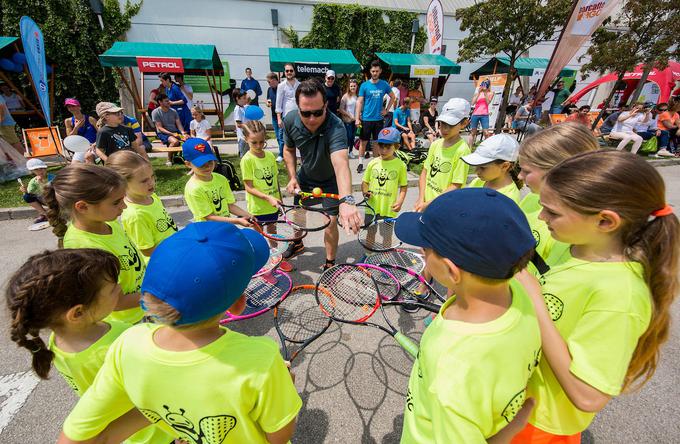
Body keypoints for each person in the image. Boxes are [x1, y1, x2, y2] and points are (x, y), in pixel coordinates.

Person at [56, 222, 302, 444]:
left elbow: (84, 438)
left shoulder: (128, 344)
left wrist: (171, 410)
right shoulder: (262, 359)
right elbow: (278, 438)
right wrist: (285, 388)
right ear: (239, 304)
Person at [511, 150, 679, 443]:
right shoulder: (577, 251)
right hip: (518, 408)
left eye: (552, 212)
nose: (541, 217)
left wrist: (535, 301)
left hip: (541, 426)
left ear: (605, 222)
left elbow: (588, 396)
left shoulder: (620, 295)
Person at [394, 188, 540, 442]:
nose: (421, 252)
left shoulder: (452, 370)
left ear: (451, 271)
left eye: (425, 248)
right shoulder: (521, 292)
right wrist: (516, 422)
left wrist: (511, 430)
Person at [6, 249, 173, 444]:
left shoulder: (59, 339)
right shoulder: (115, 347)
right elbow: (155, 394)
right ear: (77, 313)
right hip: (155, 435)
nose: (119, 288)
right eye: (112, 289)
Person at [44, 164, 146, 324]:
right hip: (125, 323)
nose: (124, 206)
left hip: (140, 306)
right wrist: (161, 295)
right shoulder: (85, 248)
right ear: (83, 206)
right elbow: (115, 302)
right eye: (116, 202)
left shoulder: (108, 223)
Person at [282, 79, 362, 269]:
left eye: (318, 112)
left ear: (326, 105)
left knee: (330, 222)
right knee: (298, 215)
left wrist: (347, 201)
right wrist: (292, 176)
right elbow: (288, 149)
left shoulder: (336, 126)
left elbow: (341, 163)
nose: (312, 118)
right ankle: (298, 242)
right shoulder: (290, 120)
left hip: (330, 181)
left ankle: (329, 263)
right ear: (298, 108)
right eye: (306, 113)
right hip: (305, 178)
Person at [517, 123, 599, 261]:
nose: (519, 176)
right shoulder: (532, 198)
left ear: (556, 171)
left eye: (526, 171)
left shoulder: (574, 225)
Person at [106, 151, 178, 262]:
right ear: (123, 183)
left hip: (174, 251)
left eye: (152, 176)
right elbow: (147, 250)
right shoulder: (135, 215)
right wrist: (176, 250)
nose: (151, 183)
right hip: (162, 261)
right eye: (144, 181)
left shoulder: (151, 196)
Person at [415, 98, 471, 212]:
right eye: (442, 123)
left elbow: (456, 185)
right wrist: (421, 199)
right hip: (426, 203)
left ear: (464, 123)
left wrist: (428, 204)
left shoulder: (462, 150)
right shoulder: (435, 144)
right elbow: (424, 172)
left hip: (444, 207)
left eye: (450, 125)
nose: (444, 129)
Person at [183, 137, 253, 226]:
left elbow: (229, 205)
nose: (207, 167)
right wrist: (237, 221)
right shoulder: (193, 189)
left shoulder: (221, 179)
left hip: (225, 225)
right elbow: (209, 217)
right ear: (188, 164)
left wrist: (248, 215)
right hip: (208, 231)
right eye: (201, 164)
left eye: (210, 162)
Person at [355, 60, 396, 173]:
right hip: (366, 119)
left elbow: (393, 97)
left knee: (377, 143)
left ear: (380, 71)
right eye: (373, 71)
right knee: (363, 142)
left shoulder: (384, 84)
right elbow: (359, 102)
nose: (374, 73)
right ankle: (360, 163)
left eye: (377, 71)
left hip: (378, 119)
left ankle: (376, 163)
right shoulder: (364, 85)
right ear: (370, 71)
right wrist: (357, 118)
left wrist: (386, 110)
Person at [362, 127, 407, 224]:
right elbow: (365, 182)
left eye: (388, 147)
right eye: (381, 146)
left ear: (397, 147)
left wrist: (400, 201)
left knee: (386, 236)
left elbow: (403, 186)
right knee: (370, 234)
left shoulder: (401, 165)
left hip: (388, 208)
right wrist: (365, 192)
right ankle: (370, 241)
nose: (383, 150)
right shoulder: (372, 163)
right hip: (371, 207)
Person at [463, 133, 522, 204]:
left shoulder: (508, 199)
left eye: (482, 168)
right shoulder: (477, 182)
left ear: (505, 166)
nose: (477, 171)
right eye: (477, 166)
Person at [152, 93, 188, 165]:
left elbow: (179, 124)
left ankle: (184, 158)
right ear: (160, 102)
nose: (169, 102)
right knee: (175, 142)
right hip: (163, 133)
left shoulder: (173, 111)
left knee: (188, 139)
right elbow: (160, 128)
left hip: (174, 131)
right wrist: (172, 134)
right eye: (166, 101)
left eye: (169, 100)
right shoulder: (155, 112)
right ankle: (169, 160)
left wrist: (183, 133)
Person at [19, 158, 53, 223]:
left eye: (42, 168)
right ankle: (45, 214)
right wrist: (25, 191)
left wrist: (41, 183)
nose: (40, 171)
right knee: (27, 196)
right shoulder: (33, 181)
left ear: (46, 169)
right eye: (36, 170)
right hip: (43, 199)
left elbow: (52, 191)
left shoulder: (52, 177)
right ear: (32, 171)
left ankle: (54, 213)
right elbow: (30, 193)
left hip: (54, 199)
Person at [266, 72, 285, 162]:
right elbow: (268, 100)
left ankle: (281, 154)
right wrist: (267, 103)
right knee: (278, 136)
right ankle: (282, 152)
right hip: (274, 116)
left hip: (282, 116)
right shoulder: (269, 89)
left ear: (277, 80)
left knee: (281, 136)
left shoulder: (281, 88)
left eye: (272, 82)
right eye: (269, 82)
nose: (270, 84)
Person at [276, 63, 300, 132]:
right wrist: (279, 119)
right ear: (284, 72)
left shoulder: (300, 85)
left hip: (298, 117)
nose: (289, 72)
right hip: (286, 117)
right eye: (287, 71)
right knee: (286, 140)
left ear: (294, 72)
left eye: (291, 71)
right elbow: (278, 104)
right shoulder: (281, 86)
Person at [339, 78, 359, 159]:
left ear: (357, 87)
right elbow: (341, 109)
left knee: (353, 137)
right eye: (351, 86)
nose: (353, 88)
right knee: (348, 136)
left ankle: (350, 151)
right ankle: (345, 152)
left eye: (354, 86)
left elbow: (359, 108)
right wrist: (349, 115)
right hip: (347, 120)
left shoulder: (357, 96)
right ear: (349, 87)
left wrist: (358, 117)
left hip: (355, 120)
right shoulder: (345, 96)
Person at [470, 79, 494, 145]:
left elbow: (488, 102)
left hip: (484, 114)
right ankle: (469, 148)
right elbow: (472, 103)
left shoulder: (491, 93)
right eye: (483, 84)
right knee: (473, 132)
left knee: (486, 133)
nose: (484, 85)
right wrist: (479, 92)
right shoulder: (477, 93)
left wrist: (485, 92)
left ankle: (486, 147)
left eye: (486, 84)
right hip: (475, 114)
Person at [233, 88, 251, 157]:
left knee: (249, 155)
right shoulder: (237, 109)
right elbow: (239, 124)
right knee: (244, 156)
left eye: (245, 98)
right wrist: (248, 127)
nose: (246, 100)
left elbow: (249, 99)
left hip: (247, 135)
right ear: (237, 98)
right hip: (242, 138)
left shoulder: (243, 107)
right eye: (244, 98)